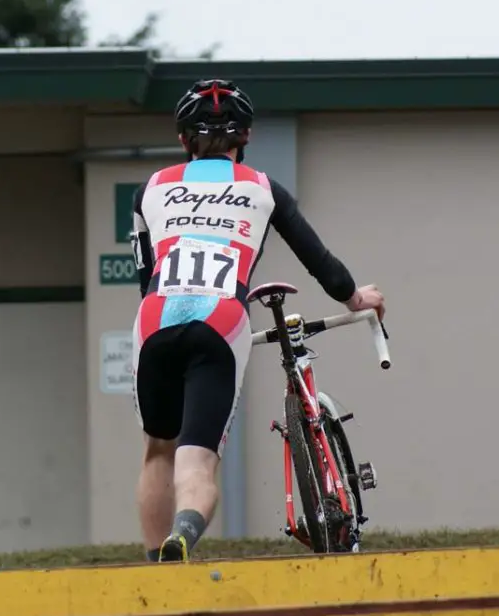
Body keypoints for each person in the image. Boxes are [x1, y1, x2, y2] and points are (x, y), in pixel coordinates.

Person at [128, 78, 386, 563]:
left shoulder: (151, 189)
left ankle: (152, 572)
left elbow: (146, 275)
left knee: (158, 450)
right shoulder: (265, 189)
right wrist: (356, 297)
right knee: (198, 459)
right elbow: (320, 261)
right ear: (244, 138)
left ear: (184, 140)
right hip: (221, 319)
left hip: (157, 316)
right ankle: (183, 532)